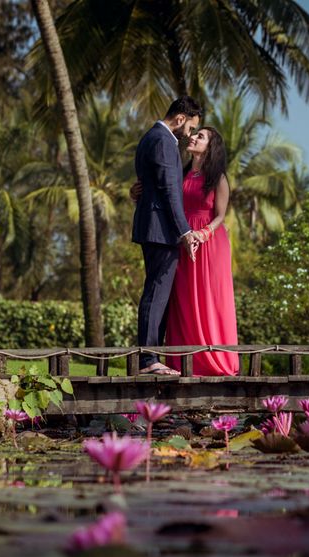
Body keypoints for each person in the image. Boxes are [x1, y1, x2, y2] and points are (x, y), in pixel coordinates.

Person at [132, 97, 203, 375]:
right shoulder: (163, 140)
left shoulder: (150, 136)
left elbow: (147, 185)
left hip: (155, 226)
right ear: (181, 118)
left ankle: (153, 356)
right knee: (156, 291)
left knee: (158, 291)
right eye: (191, 127)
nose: (189, 134)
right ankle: (148, 360)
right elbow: (169, 190)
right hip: (161, 230)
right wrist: (184, 230)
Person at [163, 127, 240, 376]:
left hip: (210, 242)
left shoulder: (217, 178)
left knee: (209, 297)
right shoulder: (181, 173)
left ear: (210, 146)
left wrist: (202, 234)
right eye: (195, 134)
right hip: (182, 239)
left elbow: (220, 215)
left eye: (201, 136)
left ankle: (216, 360)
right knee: (182, 299)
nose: (193, 137)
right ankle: (183, 361)